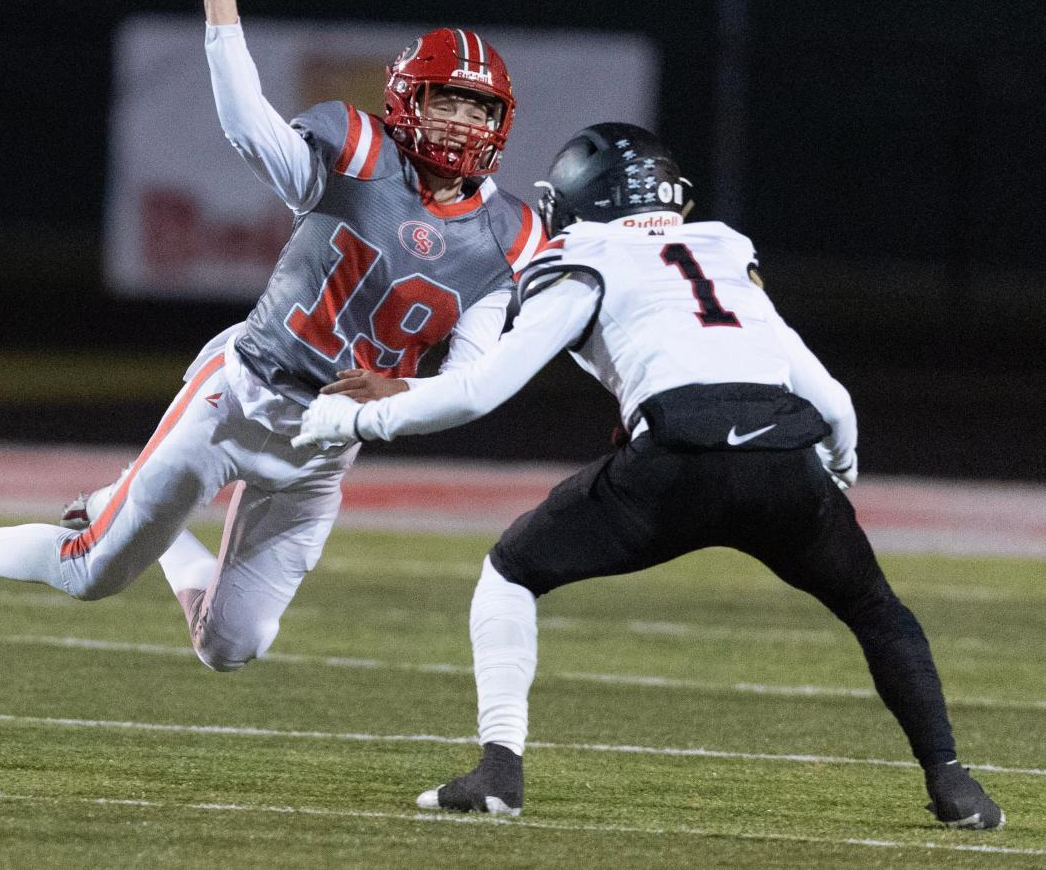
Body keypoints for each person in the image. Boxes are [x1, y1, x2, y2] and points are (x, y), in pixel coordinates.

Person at [0, 0, 546, 678]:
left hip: (325, 447)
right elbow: (250, 128)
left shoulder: (507, 237)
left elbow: (471, 379)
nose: (460, 120)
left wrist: (400, 389)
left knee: (230, 645)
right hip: (241, 397)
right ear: (406, 99)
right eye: (445, 98)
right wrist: (220, 1)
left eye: (477, 106)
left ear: (502, 121)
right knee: (88, 570)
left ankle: (155, 521)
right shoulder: (353, 152)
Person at [293, 122, 1005, 830]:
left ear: (577, 197)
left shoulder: (580, 253)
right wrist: (834, 478)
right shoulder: (722, 249)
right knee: (878, 608)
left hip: (676, 460)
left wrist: (359, 421)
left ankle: (499, 771)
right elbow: (835, 403)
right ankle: (954, 784)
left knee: (510, 571)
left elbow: (481, 390)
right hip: (784, 456)